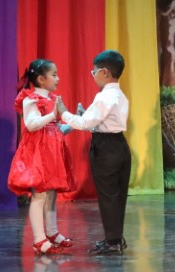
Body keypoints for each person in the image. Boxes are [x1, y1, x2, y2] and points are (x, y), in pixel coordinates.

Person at [59, 50, 131, 256]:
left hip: (106, 148)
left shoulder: (104, 96)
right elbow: (97, 121)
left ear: (105, 72)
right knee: (117, 195)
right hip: (120, 145)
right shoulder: (119, 94)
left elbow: (84, 123)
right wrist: (85, 117)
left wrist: (64, 112)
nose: (93, 75)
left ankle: (113, 242)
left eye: (94, 71)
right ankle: (115, 239)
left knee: (108, 195)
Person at [7, 59, 75, 256]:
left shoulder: (53, 99)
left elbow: (57, 128)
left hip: (52, 152)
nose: (58, 78)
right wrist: (53, 114)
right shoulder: (30, 99)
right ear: (41, 79)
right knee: (39, 195)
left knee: (52, 193)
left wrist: (73, 122)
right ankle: (38, 239)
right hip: (38, 153)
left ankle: (52, 232)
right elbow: (31, 124)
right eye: (54, 75)